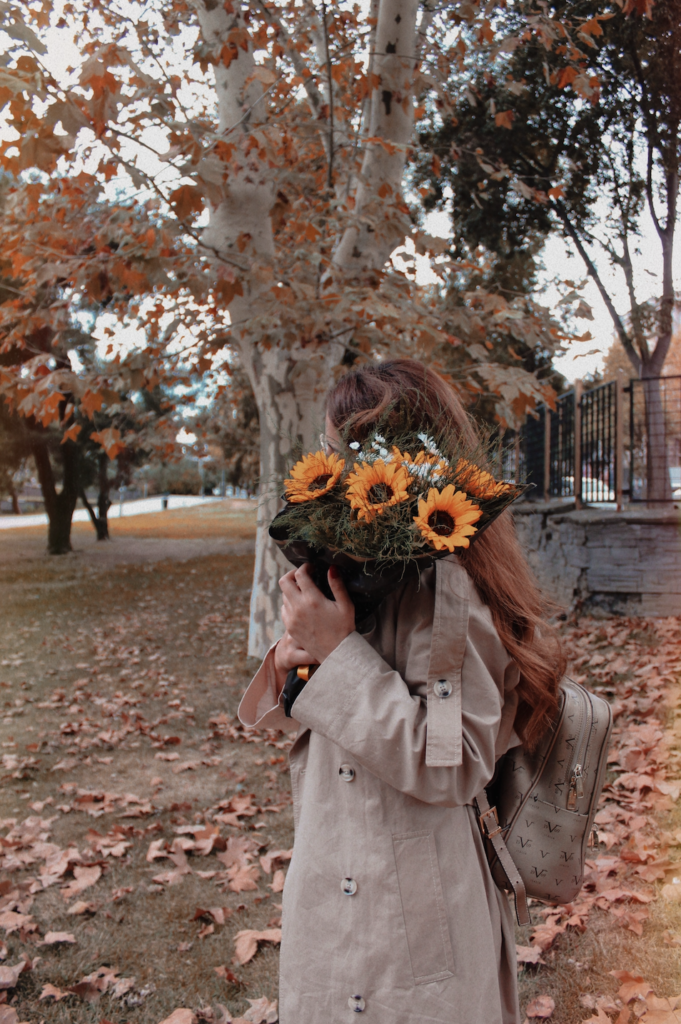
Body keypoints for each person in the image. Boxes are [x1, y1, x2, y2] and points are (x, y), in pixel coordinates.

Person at [238, 359, 565, 1024]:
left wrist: (336, 650)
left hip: (415, 918)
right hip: (329, 889)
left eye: (355, 450)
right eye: (335, 451)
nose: (338, 471)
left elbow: (447, 765)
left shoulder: (448, 591)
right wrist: (293, 652)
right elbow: (278, 722)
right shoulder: (353, 573)